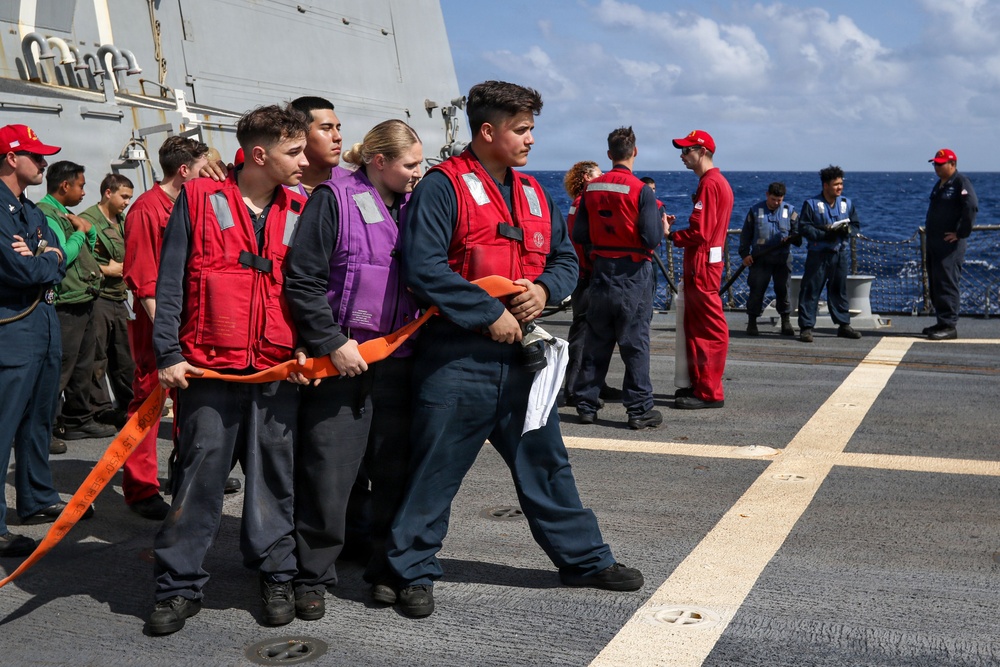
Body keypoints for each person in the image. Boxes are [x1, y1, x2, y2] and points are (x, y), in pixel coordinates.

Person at [388, 80, 644, 619]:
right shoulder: (442, 188)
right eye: (522, 129)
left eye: (531, 128)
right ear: (488, 131)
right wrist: (491, 314)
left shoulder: (533, 193)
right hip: (458, 359)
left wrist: (545, 290)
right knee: (435, 469)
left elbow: (565, 261)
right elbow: (424, 268)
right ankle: (408, 571)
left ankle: (584, 559)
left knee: (547, 462)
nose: (531, 138)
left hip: (524, 361)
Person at [147, 105, 310, 635]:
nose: (304, 160)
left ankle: (276, 573)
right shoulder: (197, 199)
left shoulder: (301, 208)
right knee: (197, 479)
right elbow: (170, 281)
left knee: (273, 481)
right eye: (294, 151)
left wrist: (308, 350)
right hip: (208, 371)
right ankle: (178, 585)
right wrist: (167, 353)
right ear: (260, 153)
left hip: (275, 371)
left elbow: (310, 289)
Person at [284, 119, 424, 620]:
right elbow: (301, 279)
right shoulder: (332, 200)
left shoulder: (416, 205)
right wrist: (331, 342)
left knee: (395, 474)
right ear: (379, 161)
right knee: (328, 474)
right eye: (410, 164)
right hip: (342, 363)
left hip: (399, 363)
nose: (418, 172)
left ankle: (388, 570)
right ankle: (312, 575)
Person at [0, 125, 92, 555]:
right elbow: (22, 271)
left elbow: (53, 253)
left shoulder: (31, 212)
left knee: (38, 418)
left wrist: (45, 254)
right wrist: (45, 259)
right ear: (9, 158)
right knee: (3, 428)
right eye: (35, 156)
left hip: (43, 323)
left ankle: (36, 498)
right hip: (12, 330)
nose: (43, 163)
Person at [122, 136, 211, 521]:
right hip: (158, 321)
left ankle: (183, 473)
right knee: (148, 402)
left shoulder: (188, 204)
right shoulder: (146, 210)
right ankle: (140, 487)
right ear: (185, 171)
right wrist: (168, 337)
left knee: (187, 399)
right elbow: (143, 280)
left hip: (185, 322)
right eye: (205, 167)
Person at [572, 127, 669, 429]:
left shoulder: (591, 189)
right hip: (633, 274)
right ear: (635, 152)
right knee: (634, 342)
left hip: (601, 271)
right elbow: (652, 238)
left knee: (596, 340)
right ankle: (639, 410)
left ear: (609, 155)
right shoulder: (642, 191)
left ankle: (586, 405)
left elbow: (579, 233)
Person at [37, 161, 116, 447]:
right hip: (65, 305)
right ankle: (42, 430)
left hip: (84, 300)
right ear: (65, 186)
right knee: (59, 369)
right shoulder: (46, 215)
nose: (84, 192)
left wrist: (86, 230)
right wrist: (82, 232)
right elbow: (62, 255)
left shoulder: (66, 214)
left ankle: (78, 420)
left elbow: (88, 248)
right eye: (80, 186)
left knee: (84, 365)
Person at [667, 130, 733, 409]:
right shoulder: (717, 182)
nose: (682, 156)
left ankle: (709, 391)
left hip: (702, 266)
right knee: (696, 326)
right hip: (706, 264)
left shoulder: (710, 184)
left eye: (686, 151)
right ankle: (699, 384)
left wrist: (671, 235)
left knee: (708, 328)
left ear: (702, 151)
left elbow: (700, 231)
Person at [79, 173, 135, 428]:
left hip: (118, 296)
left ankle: (130, 403)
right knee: (97, 355)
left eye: (129, 197)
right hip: (98, 296)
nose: (127, 202)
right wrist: (106, 270)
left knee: (124, 354)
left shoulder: (122, 221)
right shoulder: (88, 221)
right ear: (108, 193)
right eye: (123, 196)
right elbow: (80, 261)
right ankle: (99, 409)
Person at [796, 166, 862, 343]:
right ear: (825, 185)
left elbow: (855, 225)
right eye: (836, 184)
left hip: (839, 254)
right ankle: (806, 327)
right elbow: (804, 227)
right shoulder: (811, 204)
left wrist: (846, 230)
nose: (840, 188)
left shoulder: (846, 204)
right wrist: (825, 234)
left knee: (838, 290)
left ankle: (843, 324)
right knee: (810, 290)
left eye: (841, 184)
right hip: (818, 255)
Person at [923, 148, 977, 341]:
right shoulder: (940, 184)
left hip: (950, 245)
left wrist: (961, 233)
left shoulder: (961, 182)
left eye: (940, 163)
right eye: (935, 163)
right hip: (934, 242)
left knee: (947, 282)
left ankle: (949, 325)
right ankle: (941, 321)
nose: (936, 167)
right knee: (936, 282)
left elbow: (971, 206)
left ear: (952, 164)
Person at [561, 159, 602, 407]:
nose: (603, 176)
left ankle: (593, 383)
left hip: (582, 276)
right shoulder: (585, 204)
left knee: (591, 333)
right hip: (588, 277)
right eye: (599, 174)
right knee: (584, 333)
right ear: (587, 177)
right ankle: (574, 387)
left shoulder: (577, 204)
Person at [738, 182, 799, 336]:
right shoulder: (754, 211)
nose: (776, 203)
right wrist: (745, 255)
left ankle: (786, 321)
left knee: (782, 290)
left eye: (779, 200)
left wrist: (792, 238)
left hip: (782, 259)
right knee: (756, 290)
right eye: (773, 199)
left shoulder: (790, 211)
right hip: (760, 259)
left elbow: (798, 235)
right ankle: (752, 323)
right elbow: (746, 235)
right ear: (767, 195)